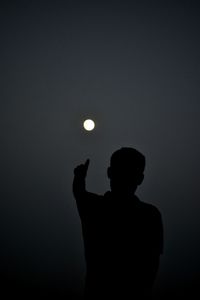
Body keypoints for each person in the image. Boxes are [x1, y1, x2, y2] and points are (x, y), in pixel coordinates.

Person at [73, 147, 163, 299]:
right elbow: (152, 266)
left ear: (109, 173)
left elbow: (78, 192)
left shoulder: (94, 207)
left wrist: (79, 177)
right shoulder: (150, 215)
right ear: (140, 179)